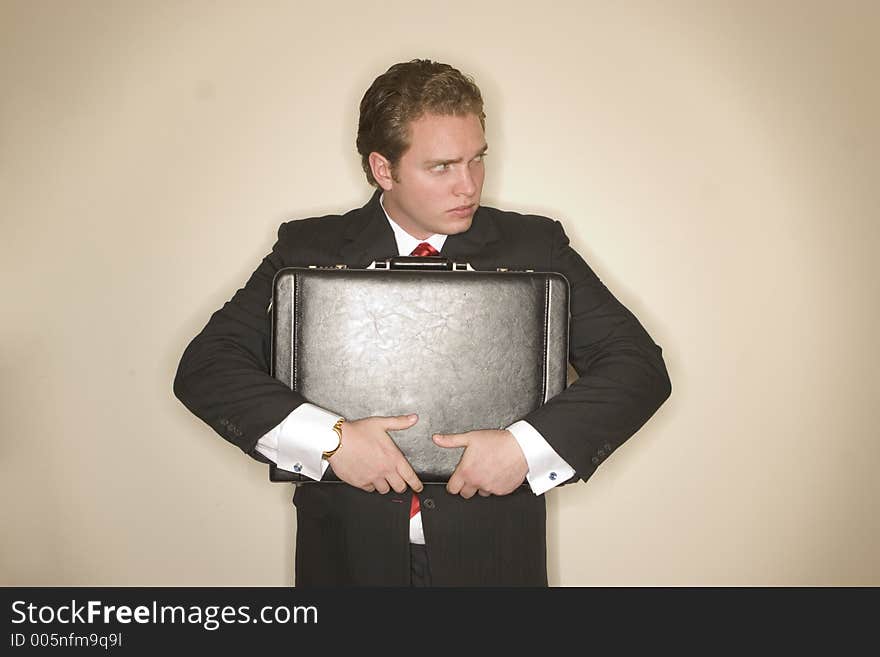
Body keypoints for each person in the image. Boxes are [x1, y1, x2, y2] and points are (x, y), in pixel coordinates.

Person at [173, 59, 671, 586]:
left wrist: (522, 450)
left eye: (477, 159)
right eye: (442, 167)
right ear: (384, 169)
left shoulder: (537, 246)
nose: (469, 186)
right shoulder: (308, 248)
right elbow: (207, 367)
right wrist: (333, 442)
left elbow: (636, 367)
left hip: (494, 565)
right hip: (348, 563)